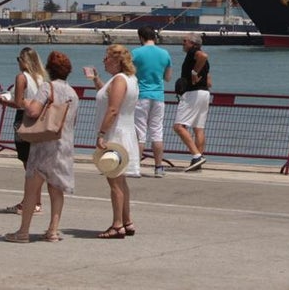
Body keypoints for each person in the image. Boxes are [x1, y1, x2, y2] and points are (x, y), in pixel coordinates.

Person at [2, 51, 79, 243]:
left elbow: (34, 111)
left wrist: (26, 102)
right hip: (64, 145)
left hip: (44, 146)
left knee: (32, 190)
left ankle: (23, 232)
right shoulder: (73, 93)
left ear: (49, 70)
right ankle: (53, 230)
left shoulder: (47, 87)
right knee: (56, 189)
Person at [87, 44, 140, 238]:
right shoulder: (129, 79)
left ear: (117, 60)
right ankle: (127, 220)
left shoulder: (119, 79)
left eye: (107, 57)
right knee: (121, 181)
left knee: (115, 183)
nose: (104, 61)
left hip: (115, 134)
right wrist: (96, 80)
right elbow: (109, 95)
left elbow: (113, 109)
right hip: (125, 132)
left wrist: (101, 133)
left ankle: (117, 224)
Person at [0, 47, 46, 213]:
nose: (18, 63)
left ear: (24, 61)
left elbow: (17, 103)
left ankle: (29, 202)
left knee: (27, 163)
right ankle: (37, 201)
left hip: (23, 121)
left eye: (19, 59)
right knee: (36, 164)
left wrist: (3, 100)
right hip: (39, 121)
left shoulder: (21, 78)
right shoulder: (41, 78)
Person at [132, 25, 172, 177]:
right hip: (159, 97)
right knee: (157, 132)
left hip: (141, 96)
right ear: (154, 38)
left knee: (140, 133)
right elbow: (167, 78)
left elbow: (130, 73)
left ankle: (136, 167)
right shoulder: (165, 54)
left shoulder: (136, 53)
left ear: (141, 38)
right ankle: (159, 167)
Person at [173, 33, 211, 172]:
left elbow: (203, 55)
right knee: (198, 128)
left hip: (192, 93)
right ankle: (197, 162)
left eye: (185, 41)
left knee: (178, 126)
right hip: (204, 93)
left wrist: (194, 73)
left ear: (192, 43)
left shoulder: (193, 53)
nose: (183, 43)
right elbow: (209, 81)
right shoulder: (202, 62)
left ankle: (196, 156)